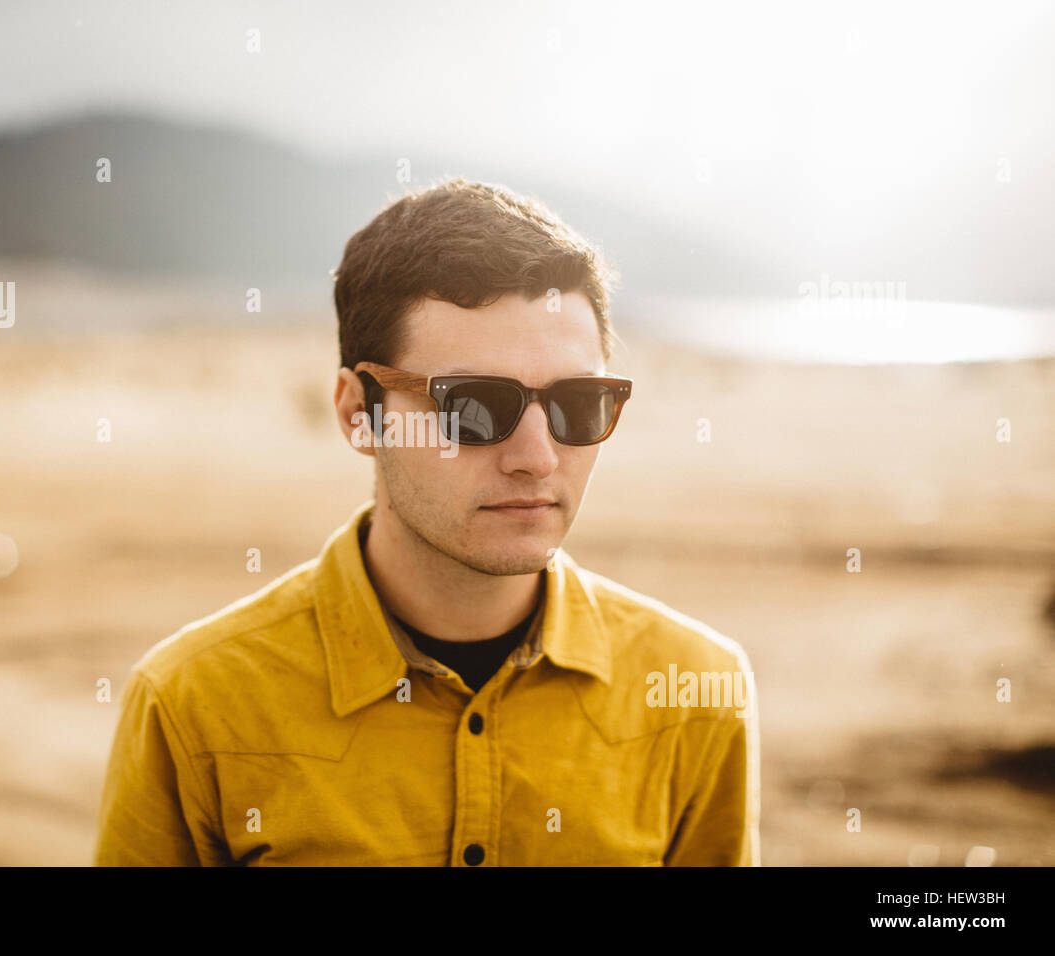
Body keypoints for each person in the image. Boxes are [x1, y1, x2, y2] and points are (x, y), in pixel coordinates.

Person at [94, 176, 759, 866]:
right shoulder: (191, 706)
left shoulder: (697, 692)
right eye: (473, 407)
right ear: (359, 413)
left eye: (578, 404)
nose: (537, 459)